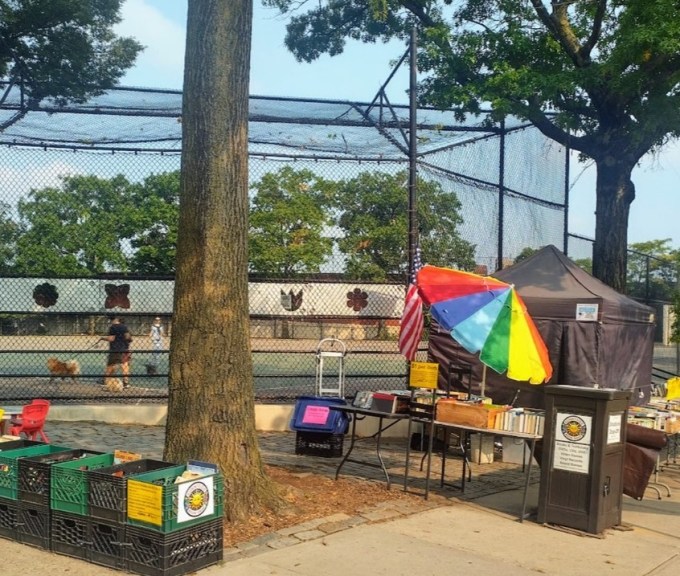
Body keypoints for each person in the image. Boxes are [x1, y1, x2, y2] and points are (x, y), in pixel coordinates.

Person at [100, 316, 132, 388]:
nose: (111, 321)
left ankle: (105, 380)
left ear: (116, 319)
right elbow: (128, 337)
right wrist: (125, 342)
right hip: (124, 349)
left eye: (112, 319)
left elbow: (111, 339)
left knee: (110, 365)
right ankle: (126, 383)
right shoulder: (124, 327)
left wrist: (103, 338)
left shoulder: (113, 327)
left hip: (115, 349)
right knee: (125, 366)